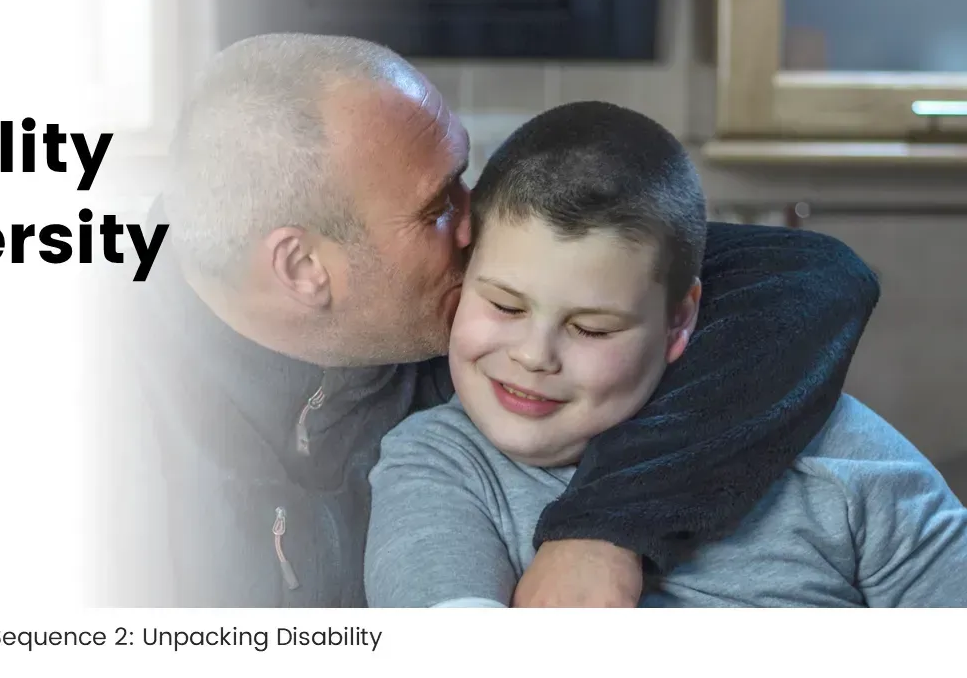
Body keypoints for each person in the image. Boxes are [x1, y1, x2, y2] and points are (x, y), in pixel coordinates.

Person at [103, 33, 880, 608]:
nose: (477, 225)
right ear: (304, 267)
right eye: (437, 207)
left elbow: (807, 277)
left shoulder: (478, 304)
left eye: (463, 179)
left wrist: (606, 525)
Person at [364, 101, 967, 607]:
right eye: (505, 305)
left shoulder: (844, 462)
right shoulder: (437, 465)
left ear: (679, 321)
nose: (534, 355)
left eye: (592, 329)